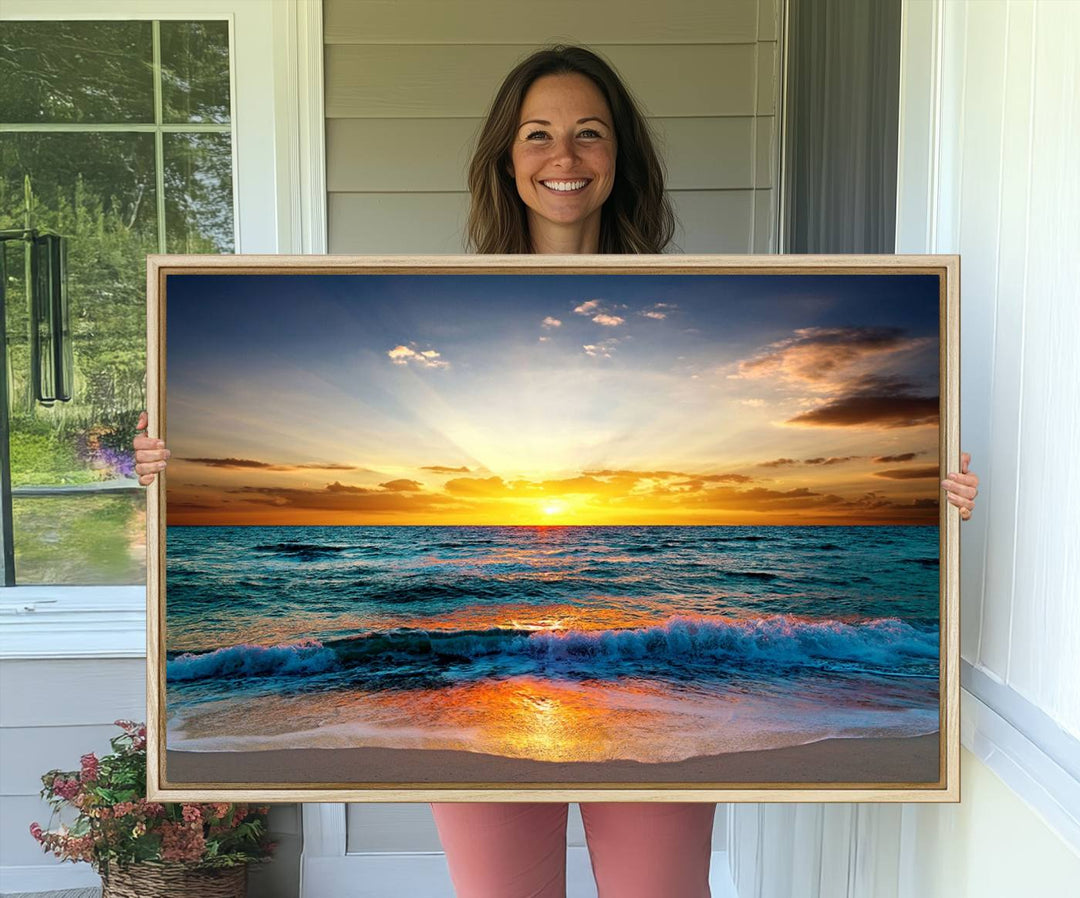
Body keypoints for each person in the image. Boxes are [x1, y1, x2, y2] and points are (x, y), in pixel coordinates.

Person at [133, 45, 980, 898]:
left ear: (620, 158)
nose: (564, 157)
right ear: (507, 157)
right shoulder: (447, 305)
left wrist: (931, 494)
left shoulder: (688, 306)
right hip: (471, 695)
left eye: (589, 134)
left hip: (660, 693)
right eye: (538, 134)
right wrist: (168, 466)